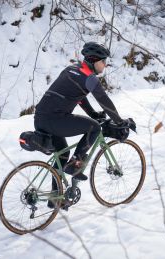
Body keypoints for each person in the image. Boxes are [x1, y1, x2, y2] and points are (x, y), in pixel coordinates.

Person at [34, 42, 131, 207]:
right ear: (94, 60)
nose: (105, 65)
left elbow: (78, 96)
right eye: (103, 61)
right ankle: (76, 164)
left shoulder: (72, 69)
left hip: (40, 118)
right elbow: (104, 101)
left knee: (62, 155)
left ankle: (55, 197)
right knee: (95, 127)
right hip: (55, 119)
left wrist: (93, 113)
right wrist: (119, 122)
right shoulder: (89, 78)